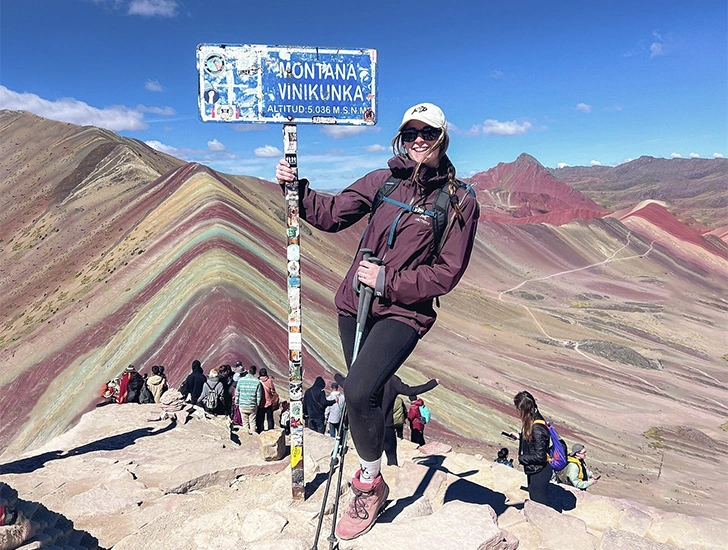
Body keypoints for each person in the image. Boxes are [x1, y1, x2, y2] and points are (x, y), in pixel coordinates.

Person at [275, 102, 479, 540]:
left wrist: (389, 280)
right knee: (366, 391)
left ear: (443, 138)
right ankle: (376, 447)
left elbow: (446, 273)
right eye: (411, 133)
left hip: (403, 311)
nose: (418, 140)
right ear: (401, 139)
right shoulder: (382, 180)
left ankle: (369, 483)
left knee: (359, 388)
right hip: (354, 305)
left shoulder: (460, 200)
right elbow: (330, 214)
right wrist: (296, 189)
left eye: (428, 133)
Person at [385, 375, 438, 465]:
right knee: (392, 454)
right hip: (391, 423)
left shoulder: (369, 378)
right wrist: (432, 383)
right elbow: (410, 391)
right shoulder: (392, 380)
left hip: (374, 422)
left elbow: (412, 415)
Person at [513, 390, 552, 506]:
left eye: (519, 410)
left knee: (539, 506)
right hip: (534, 469)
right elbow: (534, 442)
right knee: (535, 502)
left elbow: (539, 456)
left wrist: (522, 458)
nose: (518, 412)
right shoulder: (534, 420)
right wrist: (520, 437)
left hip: (539, 471)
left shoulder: (537, 428)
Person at [235, 366, 262, 434]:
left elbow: (237, 392)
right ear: (255, 372)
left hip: (242, 404)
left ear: (248, 371)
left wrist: (237, 402)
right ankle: (254, 436)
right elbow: (259, 395)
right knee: (253, 422)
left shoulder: (241, 380)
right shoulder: (257, 382)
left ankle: (246, 436)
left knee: (245, 422)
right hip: (252, 405)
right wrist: (257, 404)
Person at [256, 367, 279, 432]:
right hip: (269, 402)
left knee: (260, 418)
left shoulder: (258, 381)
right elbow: (273, 391)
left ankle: (260, 430)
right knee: (270, 417)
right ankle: (270, 430)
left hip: (260, 402)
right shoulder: (269, 381)